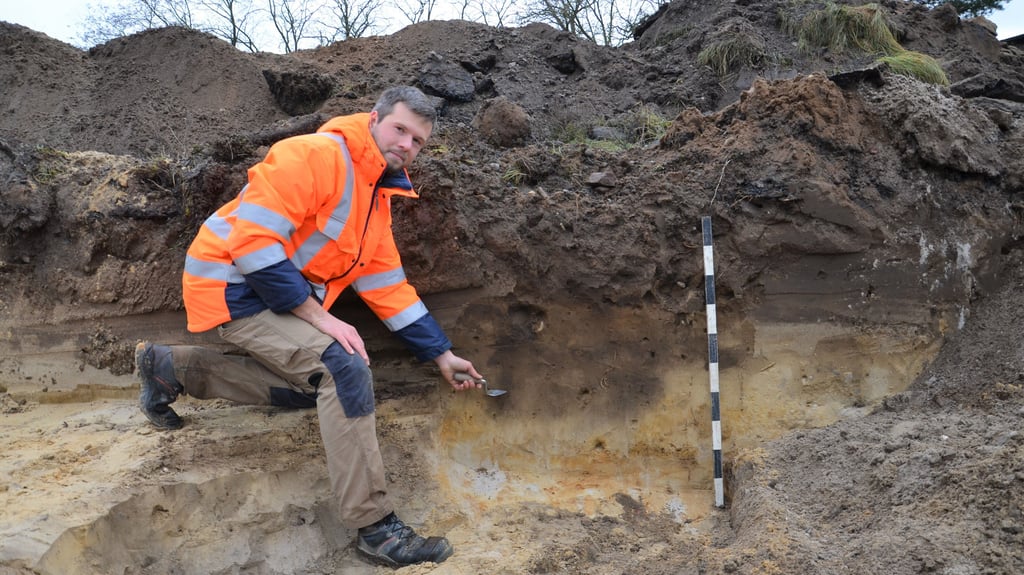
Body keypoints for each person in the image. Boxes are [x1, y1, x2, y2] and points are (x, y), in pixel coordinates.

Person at [135, 85, 484, 568]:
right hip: (232, 286)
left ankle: (169, 367)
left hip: (271, 296)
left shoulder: (373, 204)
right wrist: (321, 319)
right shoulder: (314, 156)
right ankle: (376, 529)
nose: (407, 144)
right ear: (374, 119)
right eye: (400, 129)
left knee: (315, 388)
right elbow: (253, 245)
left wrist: (442, 355)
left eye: (418, 140)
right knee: (343, 368)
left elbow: (389, 288)